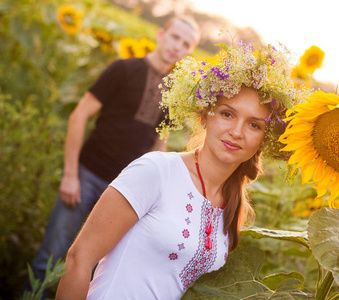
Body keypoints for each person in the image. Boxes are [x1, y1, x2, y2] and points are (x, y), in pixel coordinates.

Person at [55, 41, 303, 299]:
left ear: (264, 138)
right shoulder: (156, 171)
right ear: (206, 115)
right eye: (227, 114)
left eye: (254, 125)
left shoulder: (233, 205)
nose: (237, 132)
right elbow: (78, 258)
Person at [29, 16, 201, 284]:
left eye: (185, 43)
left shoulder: (172, 92)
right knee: (49, 259)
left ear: (190, 51)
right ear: (161, 35)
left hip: (124, 191)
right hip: (87, 176)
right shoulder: (123, 68)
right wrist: (71, 175)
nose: (177, 46)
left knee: (95, 270)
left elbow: (160, 143)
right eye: (174, 37)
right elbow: (78, 116)